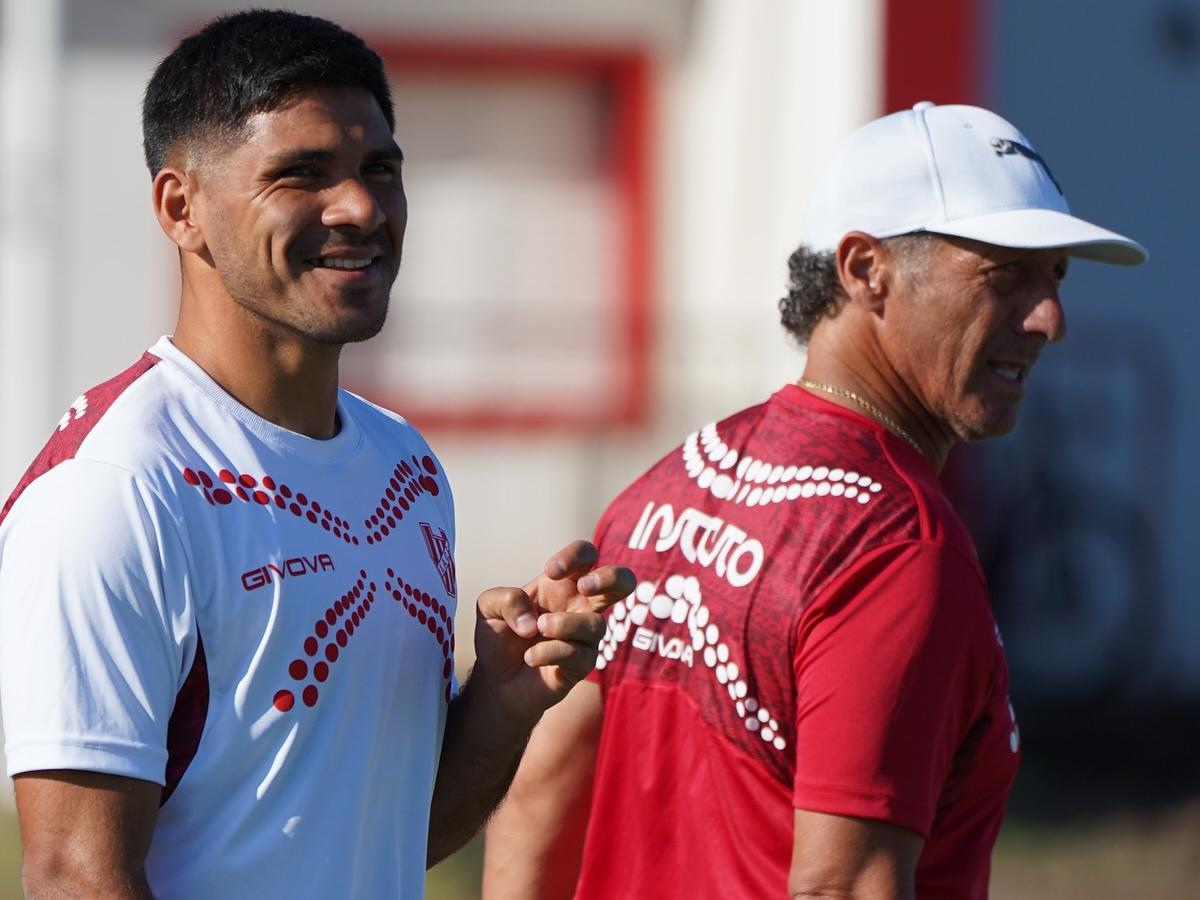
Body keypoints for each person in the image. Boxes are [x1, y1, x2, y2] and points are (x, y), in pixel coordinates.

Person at [0, 10, 634, 899]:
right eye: (302, 176)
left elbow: (386, 837)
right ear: (182, 209)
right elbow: (75, 876)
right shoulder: (116, 490)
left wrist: (503, 699)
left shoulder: (405, 467)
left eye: (380, 170)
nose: (361, 208)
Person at [483, 101, 1147, 899]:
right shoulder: (897, 551)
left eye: (1056, 278)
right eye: (1005, 276)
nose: (1051, 320)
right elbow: (842, 887)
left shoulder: (669, 485)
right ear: (866, 269)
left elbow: (538, 797)